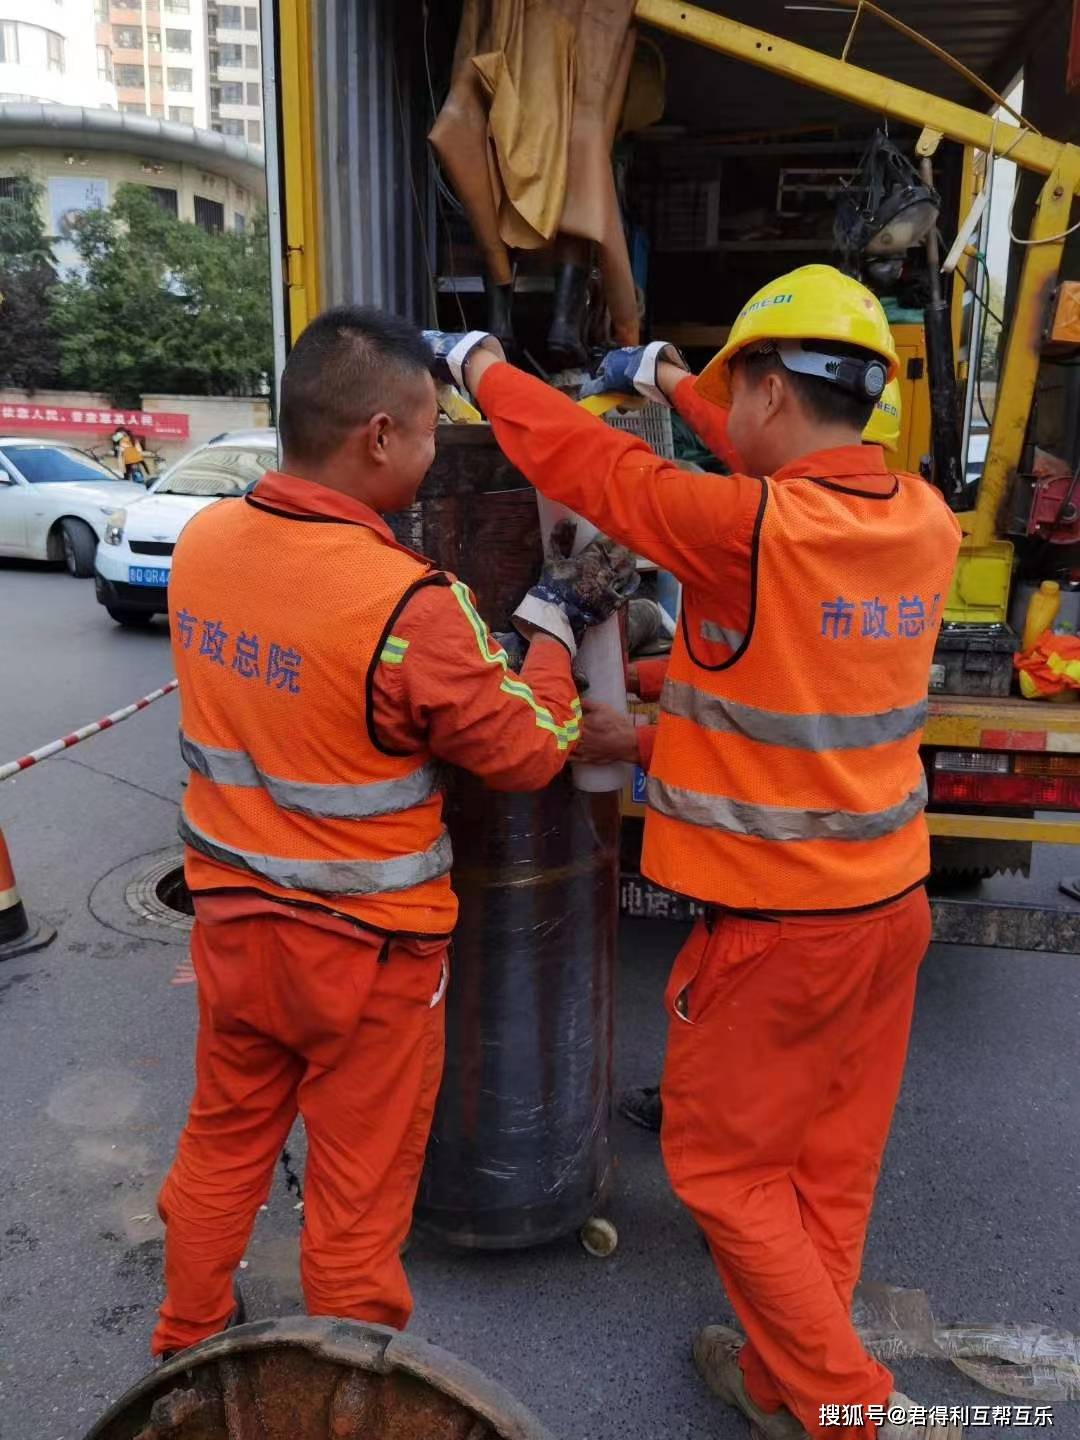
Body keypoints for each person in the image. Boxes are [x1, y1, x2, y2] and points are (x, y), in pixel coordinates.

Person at [424, 265, 963, 1440]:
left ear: (770, 385)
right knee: (826, 1168)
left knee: (724, 1176)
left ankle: (851, 1411)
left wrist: (476, 363)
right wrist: (666, 374)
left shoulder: (752, 531)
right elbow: (786, 679)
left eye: (740, 389)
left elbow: (598, 471)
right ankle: (783, 1378)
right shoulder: (920, 518)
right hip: (889, 911)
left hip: (781, 934)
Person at [154, 305, 635, 1360]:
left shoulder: (204, 549)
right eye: (427, 431)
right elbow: (531, 746)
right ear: (378, 436)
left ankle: (184, 1344)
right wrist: (554, 619)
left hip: (235, 930)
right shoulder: (408, 607)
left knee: (223, 1147)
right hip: (366, 963)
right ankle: (347, 1388)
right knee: (357, 1206)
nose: (430, 453)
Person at [592, 375, 908, 1136]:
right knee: (811, 1104)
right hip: (866, 892)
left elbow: (758, 754)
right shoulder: (898, 532)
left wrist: (478, 366)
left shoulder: (780, 535)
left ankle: (735, 1172)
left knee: (732, 1163)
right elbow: (762, 668)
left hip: (783, 897)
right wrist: (667, 376)